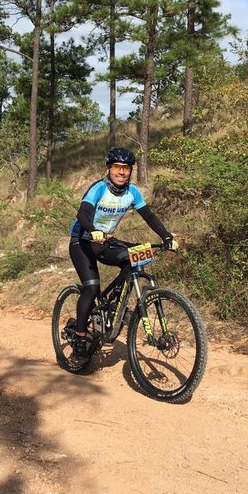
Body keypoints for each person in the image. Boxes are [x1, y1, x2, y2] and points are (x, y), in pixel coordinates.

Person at [68, 147, 175, 357]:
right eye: (117, 167)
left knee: (133, 260)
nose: (122, 172)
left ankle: (113, 308)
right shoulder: (98, 188)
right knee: (91, 288)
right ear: (108, 169)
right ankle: (80, 337)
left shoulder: (132, 192)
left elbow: (149, 216)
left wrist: (166, 237)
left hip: (106, 241)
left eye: (126, 168)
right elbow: (83, 214)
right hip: (82, 242)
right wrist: (93, 230)